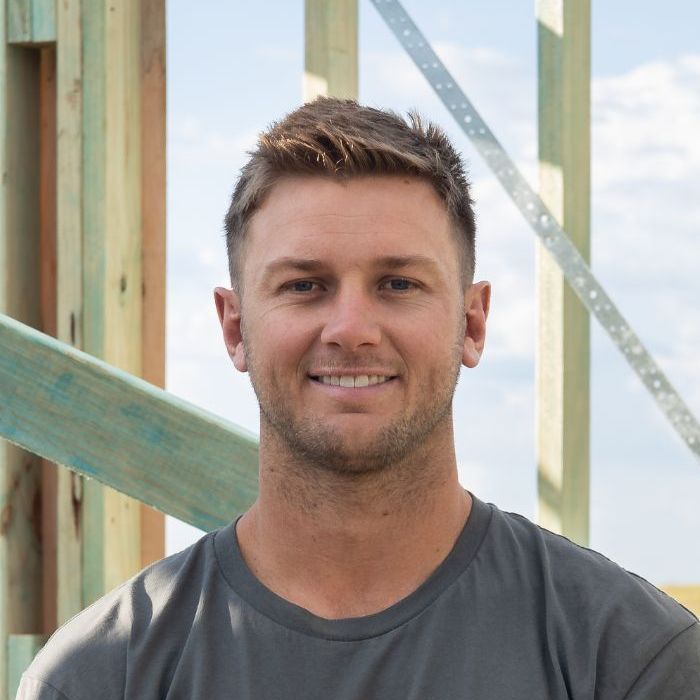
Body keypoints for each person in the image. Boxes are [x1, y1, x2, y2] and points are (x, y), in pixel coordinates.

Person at [19, 98, 699, 699]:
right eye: (304, 285)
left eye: (398, 284)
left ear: (472, 321)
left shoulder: (628, 659)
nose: (350, 329)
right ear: (235, 329)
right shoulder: (99, 678)